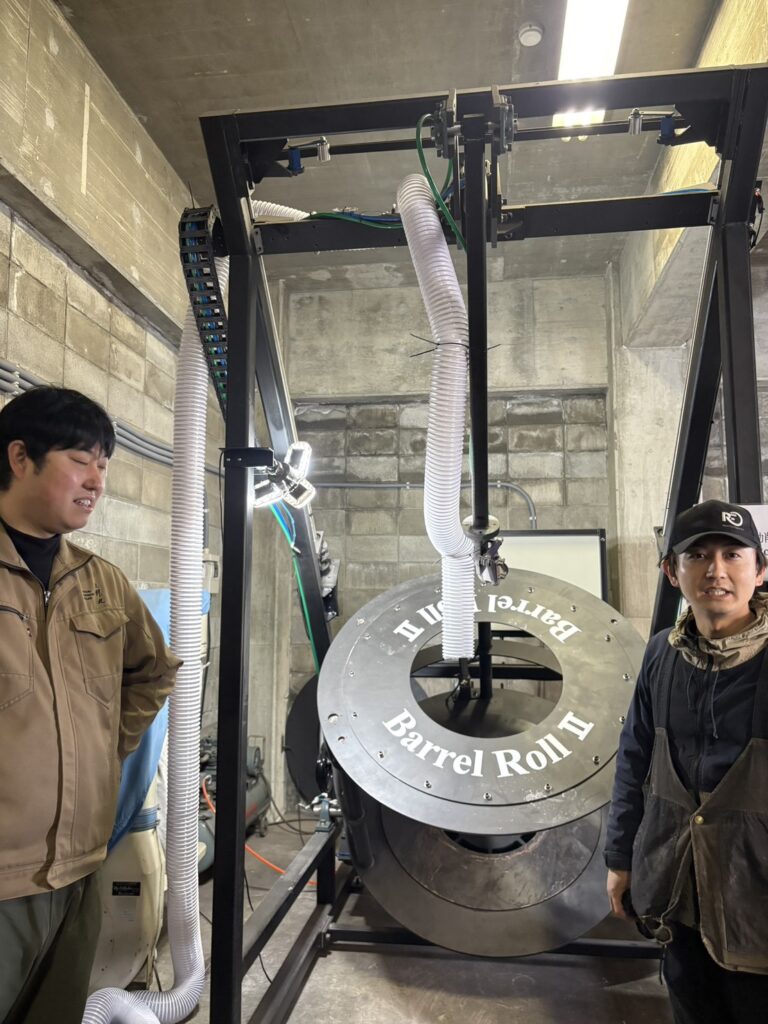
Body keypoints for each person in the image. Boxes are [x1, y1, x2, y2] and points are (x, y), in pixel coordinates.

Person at [0, 387, 181, 1024]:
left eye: (104, 464)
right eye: (81, 459)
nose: (97, 480)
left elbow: (153, 672)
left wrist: (106, 746)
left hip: (79, 872)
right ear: (21, 459)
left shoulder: (100, 581)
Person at [605, 498, 768, 1024]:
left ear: (761, 570)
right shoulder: (661, 654)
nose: (715, 571)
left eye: (732, 555)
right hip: (679, 889)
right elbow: (634, 758)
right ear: (671, 571)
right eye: (697, 555)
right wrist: (620, 858)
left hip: (757, 899)